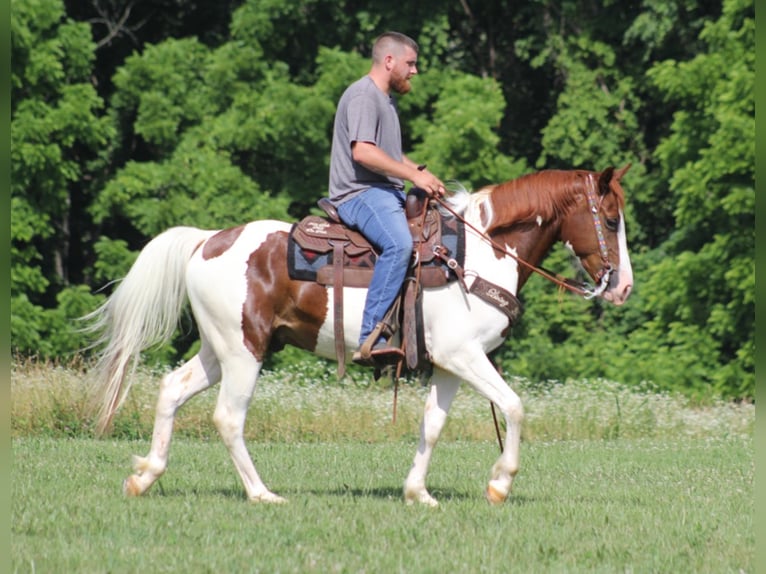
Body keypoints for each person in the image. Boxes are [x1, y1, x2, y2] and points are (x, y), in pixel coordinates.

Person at [328, 31, 446, 366]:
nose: (415, 71)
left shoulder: (384, 100)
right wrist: (413, 177)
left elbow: (390, 154)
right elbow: (363, 152)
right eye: (411, 63)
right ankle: (372, 338)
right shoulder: (365, 96)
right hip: (359, 193)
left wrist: (422, 173)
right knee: (399, 245)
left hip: (382, 191)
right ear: (389, 61)